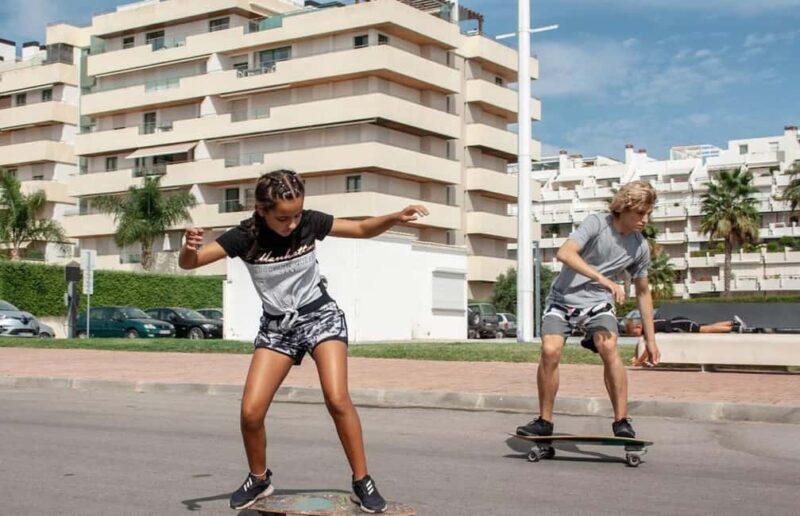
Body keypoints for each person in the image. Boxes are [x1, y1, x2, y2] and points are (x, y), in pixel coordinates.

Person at [178, 169, 428, 513]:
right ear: (262, 210)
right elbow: (192, 264)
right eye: (283, 218)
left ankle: (362, 481)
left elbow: (359, 229)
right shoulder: (244, 237)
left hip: (319, 316)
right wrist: (188, 248)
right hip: (278, 328)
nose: (292, 224)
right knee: (251, 411)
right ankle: (259, 478)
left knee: (337, 398)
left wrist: (394, 217)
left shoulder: (310, 223)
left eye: (297, 214)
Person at [516, 181, 661, 440]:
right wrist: (603, 279)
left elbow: (642, 292)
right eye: (640, 213)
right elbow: (565, 253)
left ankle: (622, 422)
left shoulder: (640, 247)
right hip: (562, 299)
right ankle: (544, 422)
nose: (645, 219)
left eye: (648, 213)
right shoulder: (597, 223)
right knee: (550, 350)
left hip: (596, 304)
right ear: (624, 208)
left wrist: (650, 339)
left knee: (608, 347)